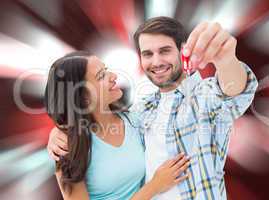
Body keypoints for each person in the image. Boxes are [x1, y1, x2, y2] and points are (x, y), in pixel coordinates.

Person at [48, 17, 258, 200]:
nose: (155, 61)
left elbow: (234, 92)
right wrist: (60, 131)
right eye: (147, 53)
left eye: (165, 51)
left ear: (183, 51)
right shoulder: (142, 111)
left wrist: (227, 60)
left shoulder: (204, 97)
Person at [44, 51, 191, 200]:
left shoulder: (135, 119)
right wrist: (155, 185)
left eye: (106, 70)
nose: (113, 76)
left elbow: (174, 97)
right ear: (82, 97)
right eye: (101, 76)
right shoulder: (68, 149)